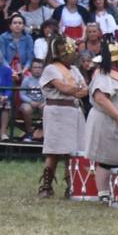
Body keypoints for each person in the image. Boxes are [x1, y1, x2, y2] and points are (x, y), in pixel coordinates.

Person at [84, 41, 118, 203]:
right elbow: (100, 97)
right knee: (106, 159)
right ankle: (103, 193)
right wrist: (117, 115)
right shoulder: (102, 74)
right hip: (108, 120)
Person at [37, 37, 87, 197]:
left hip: (73, 110)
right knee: (54, 150)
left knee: (72, 151)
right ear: (62, 54)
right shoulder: (51, 69)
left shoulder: (74, 70)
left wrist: (76, 89)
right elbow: (64, 88)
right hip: (57, 111)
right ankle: (46, 186)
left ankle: (71, 185)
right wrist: (76, 88)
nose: (74, 55)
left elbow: (85, 89)